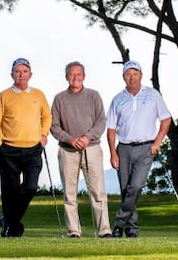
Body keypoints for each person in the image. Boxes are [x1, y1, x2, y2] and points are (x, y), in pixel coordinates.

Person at [107, 60, 172, 238]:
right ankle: (131, 229)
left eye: (135, 73)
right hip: (124, 148)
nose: (132, 77)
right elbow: (111, 129)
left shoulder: (153, 95)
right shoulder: (117, 99)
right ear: (123, 77)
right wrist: (113, 153)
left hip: (146, 148)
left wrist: (157, 142)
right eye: (128, 74)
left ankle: (119, 224)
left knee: (135, 186)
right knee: (125, 189)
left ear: (141, 76)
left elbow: (166, 119)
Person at [50, 61, 112, 238]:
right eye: (71, 74)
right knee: (70, 193)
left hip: (91, 148)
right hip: (67, 150)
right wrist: (70, 139)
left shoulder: (94, 96)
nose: (75, 78)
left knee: (98, 191)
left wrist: (87, 137)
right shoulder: (59, 98)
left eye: (78, 74)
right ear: (66, 77)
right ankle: (74, 230)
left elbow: (101, 121)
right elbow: (54, 126)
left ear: (84, 76)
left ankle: (104, 230)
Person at [0, 57, 52, 237]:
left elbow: (47, 117)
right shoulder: (4, 95)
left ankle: (8, 221)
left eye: (25, 71)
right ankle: (11, 228)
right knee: (10, 191)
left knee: (31, 187)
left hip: (33, 148)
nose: (21, 75)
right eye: (18, 71)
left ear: (30, 74)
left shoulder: (38, 95)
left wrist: (44, 134)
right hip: (9, 148)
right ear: (12, 74)